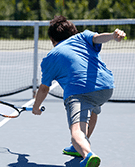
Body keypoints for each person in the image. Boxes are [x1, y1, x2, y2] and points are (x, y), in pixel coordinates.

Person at [32, 15, 126, 167]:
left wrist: (36, 107)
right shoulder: (82, 36)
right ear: (73, 32)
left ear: (52, 40)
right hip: (106, 87)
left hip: (79, 91)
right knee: (93, 109)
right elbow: (98, 38)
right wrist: (112, 36)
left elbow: (44, 88)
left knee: (77, 131)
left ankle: (87, 153)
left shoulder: (50, 57)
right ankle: (81, 146)